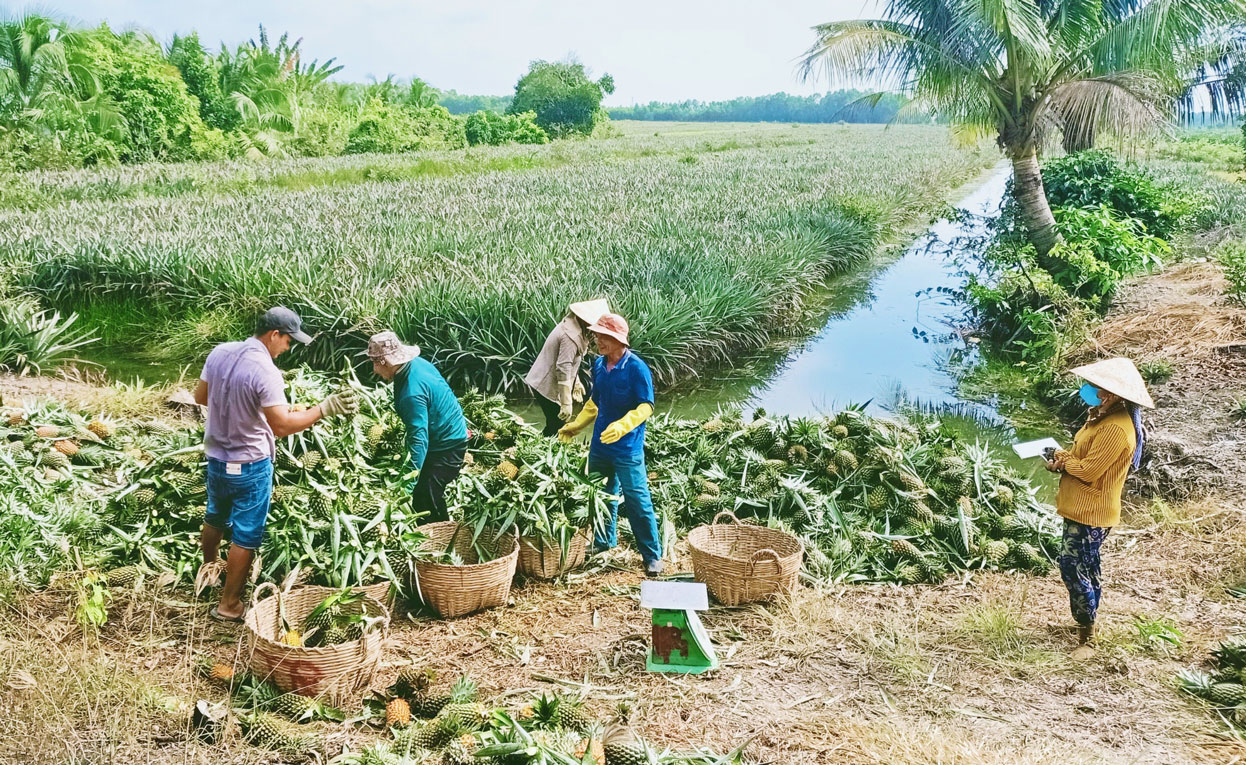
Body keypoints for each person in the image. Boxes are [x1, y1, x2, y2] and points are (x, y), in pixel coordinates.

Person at [194, 307, 359, 622]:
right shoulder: (265, 370)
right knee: (246, 534)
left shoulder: (219, 352)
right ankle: (229, 605)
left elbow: (201, 396)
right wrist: (323, 409)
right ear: (274, 335)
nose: (288, 348)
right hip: (249, 464)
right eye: (288, 341)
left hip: (216, 458)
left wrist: (241, 405)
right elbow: (282, 426)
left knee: (215, 516)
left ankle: (210, 571)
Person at [1046, 357, 1153, 659]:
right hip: (1081, 507)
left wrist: (1065, 461)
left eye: (1097, 387)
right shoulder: (1103, 417)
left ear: (1113, 394)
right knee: (1086, 566)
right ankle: (1085, 618)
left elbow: (1090, 471)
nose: (1090, 389)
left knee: (1073, 567)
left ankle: (1086, 636)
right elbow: (1083, 458)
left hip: (1091, 512)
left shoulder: (1115, 429)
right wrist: (1062, 459)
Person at [558, 313, 663, 576]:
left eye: (603, 337)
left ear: (618, 340)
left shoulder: (636, 368)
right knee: (601, 495)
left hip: (627, 447)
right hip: (601, 445)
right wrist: (576, 425)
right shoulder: (599, 365)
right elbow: (595, 402)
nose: (597, 341)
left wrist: (624, 425)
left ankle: (651, 555)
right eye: (596, 335)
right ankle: (604, 541)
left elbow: (645, 407)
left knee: (637, 499)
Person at [367, 331, 468, 523]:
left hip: (448, 446)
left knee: (426, 496)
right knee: (423, 490)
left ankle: (443, 538)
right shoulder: (417, 364)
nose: (374, 370)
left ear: (384, 362)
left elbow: (419, 439)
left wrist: (407, 484)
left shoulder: (411, 394)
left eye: (374, 363)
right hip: (450, 429)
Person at [524, 299, 609, 437]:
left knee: (554, 425)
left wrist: (576, 383)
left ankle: (539, 446)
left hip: (546, 380)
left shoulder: (576, 327)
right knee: (557, 425)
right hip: (544, 383)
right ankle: (544, 451)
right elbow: (563, 367)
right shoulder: (570, 335)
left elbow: (571, 361)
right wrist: (566, 403)